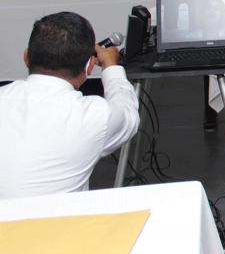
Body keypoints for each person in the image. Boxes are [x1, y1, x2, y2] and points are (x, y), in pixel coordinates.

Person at [0, 12, 140, 198]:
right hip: (56, 217)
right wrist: (111, 67)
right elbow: (128, 114)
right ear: (89, 66)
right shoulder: (95, 115)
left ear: (27, 57)